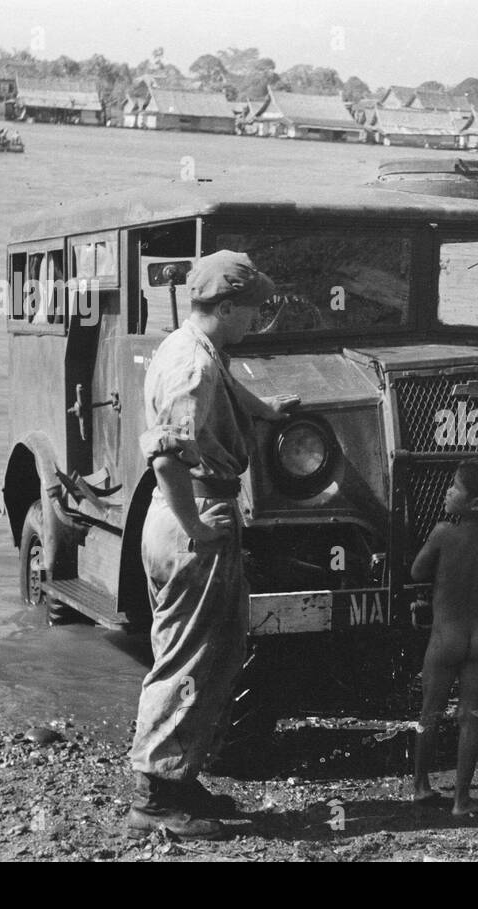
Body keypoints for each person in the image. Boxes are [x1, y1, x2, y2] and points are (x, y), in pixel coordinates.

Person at [127, 250, 300, 839]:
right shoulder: (193, 369)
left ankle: (180, 777)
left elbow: (225, 391)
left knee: (214, 649)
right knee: (187, 656)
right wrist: (199, 529)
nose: (258, 321)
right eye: (252, 311)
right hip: (192, 513)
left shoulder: (193, 348)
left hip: (193, 511)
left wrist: (266, 409)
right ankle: (155, 795)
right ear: (225, 307)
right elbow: (168, 457)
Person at [410, 459, 478, 816]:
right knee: (471, 715)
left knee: (430, 712)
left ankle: (422, 786)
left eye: (454, 487)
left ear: (474, 503)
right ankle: (461, 800)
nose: (447, 491)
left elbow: (416, 570)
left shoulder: (443, 533)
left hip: (445, 636)